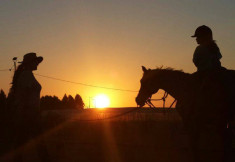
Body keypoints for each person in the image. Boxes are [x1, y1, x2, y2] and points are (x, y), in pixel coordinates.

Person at [7, 52, 50, 161]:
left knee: (22, 142)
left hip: (28, 114)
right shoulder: (26, 75)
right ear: (30, 63)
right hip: (29, 114)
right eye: (35, 62)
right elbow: (24, 96)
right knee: (38, 143)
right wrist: (31, 112)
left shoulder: (27, 74)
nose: (37, 64)